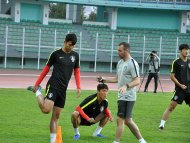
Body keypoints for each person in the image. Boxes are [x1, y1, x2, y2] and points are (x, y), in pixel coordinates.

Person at [27, 33, 81, 143]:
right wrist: (37, 83)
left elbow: (77, 71)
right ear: (65, 42)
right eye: (70, 44)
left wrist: (78, 86)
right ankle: (38, 92)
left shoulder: (75, 55)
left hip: (63, 89)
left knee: (56, 116)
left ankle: (52, 141)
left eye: (73, 46)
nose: (71, 47)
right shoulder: (55, 54)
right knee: (46, 110)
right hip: (53, 85)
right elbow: (46, 69)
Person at [97, 42, 147, 143]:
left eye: (120, 50)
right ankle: (142, 141)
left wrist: (126, 86)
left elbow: (137, 80)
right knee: (127, 121)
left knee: (120, 119)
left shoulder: (132, 63)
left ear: (127, 51)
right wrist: (104, 79)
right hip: (122, 95)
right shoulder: (120, 63)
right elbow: (117, 79)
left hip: (128, 96)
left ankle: (116, 141)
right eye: (118, 50)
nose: (117, 52)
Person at [159, 44, 190, 130]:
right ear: (180, 51)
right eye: (185, 49)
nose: (187, 51)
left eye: (188, 49)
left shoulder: (189, 61)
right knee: (171, 107)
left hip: (189, 89)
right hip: (180, 89)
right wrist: (180, 85)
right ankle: (161, 125)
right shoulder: (176, 62)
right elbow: (172, 76)